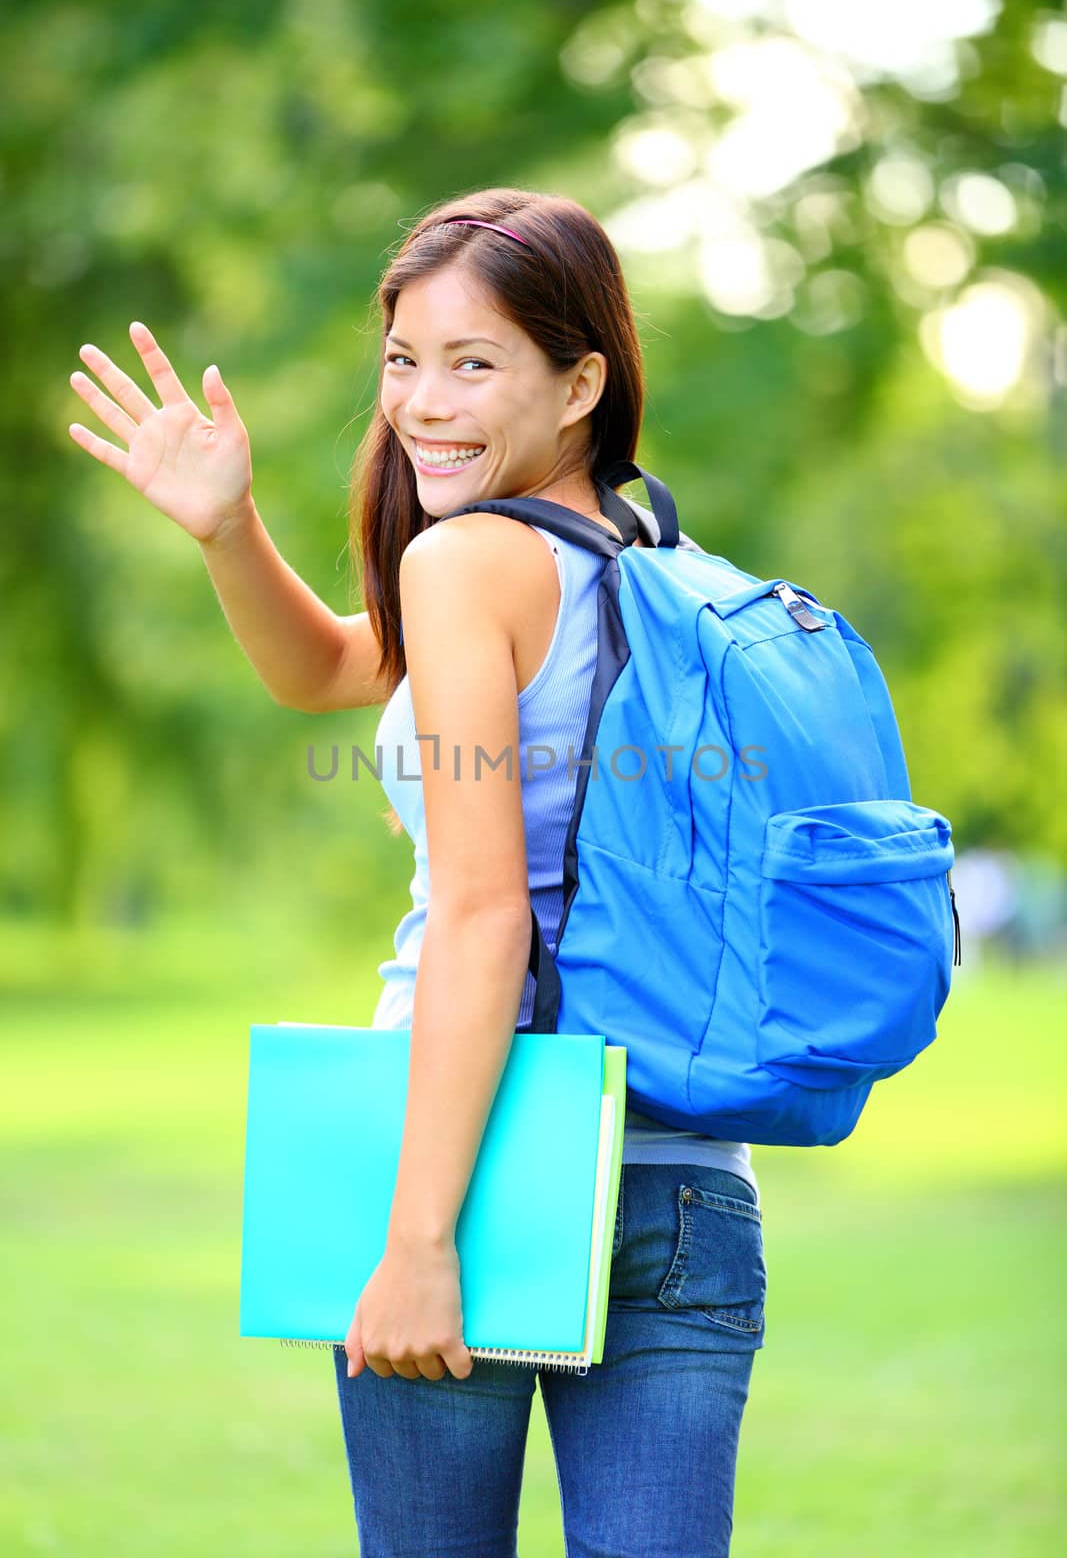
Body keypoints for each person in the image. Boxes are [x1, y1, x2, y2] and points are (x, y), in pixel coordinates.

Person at [68, 185, 768, 1558]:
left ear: (582, 381)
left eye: (474, 363)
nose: (424, 403)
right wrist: (227, 526)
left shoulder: (467, 562)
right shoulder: (663, 564)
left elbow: (483, 915)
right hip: (686, 1182)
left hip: (477, 1157)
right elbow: (331, 667)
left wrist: (420, 1239)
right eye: (403, 361)